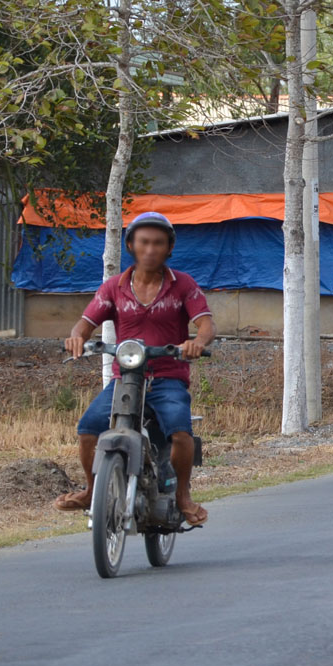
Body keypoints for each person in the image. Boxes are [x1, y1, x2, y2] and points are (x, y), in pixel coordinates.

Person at [54, 212, 215, 525]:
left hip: (168, 378)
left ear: (169, 248)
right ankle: (91, 490)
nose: (151, 249)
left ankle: (183, 495)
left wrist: (196, 342)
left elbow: (206, 324)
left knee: (181, 433)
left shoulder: (183, 285)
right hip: (126, 378)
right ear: (131, 245)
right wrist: (76, 339)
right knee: (88, 429)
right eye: (144, 242)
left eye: (158, 243)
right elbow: (85, 324)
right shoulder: (114, 287)